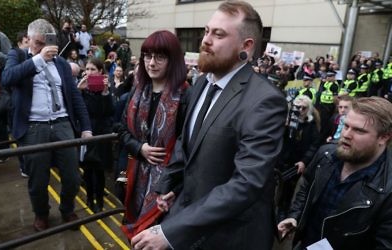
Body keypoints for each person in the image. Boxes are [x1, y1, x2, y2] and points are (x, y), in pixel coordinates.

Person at [131, 1, 287, 249]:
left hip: (230, 237)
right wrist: (170, 184)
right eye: (206, 31)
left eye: (219, 34)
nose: (205, 40)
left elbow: (246, 184)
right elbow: (188, 141)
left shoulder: (265, 101)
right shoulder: (201, 85)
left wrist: (170, 231)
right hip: (189, 221)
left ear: (246, 46)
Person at [1, 19, 92, 232]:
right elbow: (7, 79)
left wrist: (86, 127)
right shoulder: (19, 56)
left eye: (47, 43)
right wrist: (38, 60)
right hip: (33, 126)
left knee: (72, 176)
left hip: (61, 123)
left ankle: (67, 208)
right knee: (38, 180)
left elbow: (75, 97)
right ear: (29, 40)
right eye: (39, 43)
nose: (43, 48)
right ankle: (41, 214)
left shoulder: (60, 63)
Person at [278, 96, 392, 249]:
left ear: (384, 137)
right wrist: (295, 216)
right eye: (346, 126)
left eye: (358, 130)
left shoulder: (387, 188)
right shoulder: (326, 155)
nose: (346, 135)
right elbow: (306, 186)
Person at [118, 29, 189, 239]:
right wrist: (139, 148)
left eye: (160, 57)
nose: (151, 63)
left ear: (173, 60)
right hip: (136, 176)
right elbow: (120, 128)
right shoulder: (138, 89)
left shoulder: (185, 95)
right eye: (147, 56)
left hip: (168, 187)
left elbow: (189, 144)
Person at [77, 58, 114, 213]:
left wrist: (105, 93)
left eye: (93, 69)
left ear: (100, 72)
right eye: (87, 69)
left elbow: (109, 113)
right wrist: (78, 91)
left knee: (99, 171)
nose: (89, 72)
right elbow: (78, 112)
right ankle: (89, 198)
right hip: (86, 134)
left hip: (101, 135)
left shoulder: (105, 90)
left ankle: (99, 201)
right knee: (87, 170)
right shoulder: (82, 90)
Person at [276, 95, 321, 221]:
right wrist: (284, 126)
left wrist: (304, 161)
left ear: (308, 109)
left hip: (297, 162)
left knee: (289, 188)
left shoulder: (311, 124)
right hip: (281, 159)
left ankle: (283, 210)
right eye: (298, 107)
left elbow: (314, 145)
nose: (300, 110)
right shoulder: (287, 120)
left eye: (303, 108)